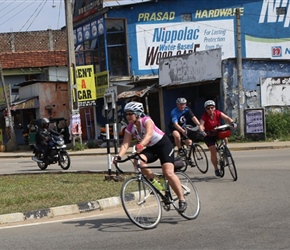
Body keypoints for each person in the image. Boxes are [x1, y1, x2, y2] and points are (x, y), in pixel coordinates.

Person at [113, 101, 187, 212]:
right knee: (137, 161)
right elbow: (125, 144)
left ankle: (182, 200)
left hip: (163, 146)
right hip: (151, 148)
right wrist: (118, 156)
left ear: (137, 113)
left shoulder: (147, 121)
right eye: (126, 114)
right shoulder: (130, 127)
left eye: (130, 114)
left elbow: (148, 135)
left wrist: (141, 145)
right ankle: (155, 183)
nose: (128, 116)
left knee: (168, 172)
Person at [200, 100, 237, 177]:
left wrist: (232, 122)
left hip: (217, 132)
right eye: (208, 108)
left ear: (214, 107)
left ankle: (224, 151)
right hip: (208, 135)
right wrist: (202, 131)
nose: (210, 110)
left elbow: (227, 118)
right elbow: (201, 125)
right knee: (213, 151)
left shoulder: (218, 113)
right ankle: (216, 168)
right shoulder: (204, 116)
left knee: (225, 138)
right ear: (205, 109)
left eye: (212, 107)